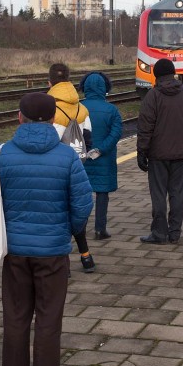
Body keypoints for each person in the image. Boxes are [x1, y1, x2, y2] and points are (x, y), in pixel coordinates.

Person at [0, 92, 93, 366]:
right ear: (54, 119)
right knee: (49, 319)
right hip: (52, 253)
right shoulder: (67, 156)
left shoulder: (1, 153)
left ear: (19, 117)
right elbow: (83, 203)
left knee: (15, 317)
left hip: (14, 252)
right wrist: (66, 230)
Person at [137, 58, 183, 244]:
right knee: (178, 193)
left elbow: (145, 127)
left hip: (158, 155)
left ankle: (159, 233)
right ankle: (175, 233)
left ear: (156, 76)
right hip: (181, 153)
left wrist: (142, 152)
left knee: (158, 194)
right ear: (173, 74)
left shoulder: (152, 97)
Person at [47, 63, 96, 273]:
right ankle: (86, 257)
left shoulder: (48, 108)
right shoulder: (82, 108)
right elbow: (88, 140)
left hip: (53, 171)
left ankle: (63, 263)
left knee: (57, 215)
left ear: (49, 83)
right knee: (76, 212)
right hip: (76, 169)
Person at [78, 72, 123, 242]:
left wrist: (85, 150)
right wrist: (101, 150)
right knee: (102, 193)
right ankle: (100, 229)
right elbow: (116, 133)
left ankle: (80, 228)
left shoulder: (78, 108)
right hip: (103, 158)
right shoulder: (112, 110)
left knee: (81, 194)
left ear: (85, 87)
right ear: (104, 88)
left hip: (82, 158)